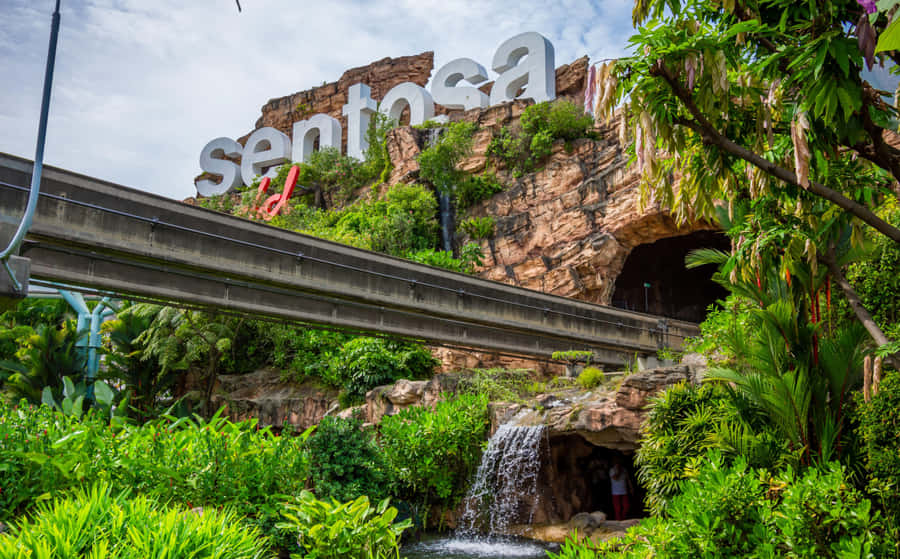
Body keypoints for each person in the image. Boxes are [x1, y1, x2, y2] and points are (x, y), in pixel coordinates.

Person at [609, 455, 633, 521]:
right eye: (616, 461)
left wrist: (631, 488)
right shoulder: (612, 470)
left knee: (626, 506)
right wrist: (619, 471)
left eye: (619, 461)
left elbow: (628, 479)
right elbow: (615, 478)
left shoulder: (624, 469)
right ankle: (618, 521)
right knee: (617, 509)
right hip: (615, 492)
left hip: (624, 491)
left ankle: (623, 519)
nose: (618, 462)